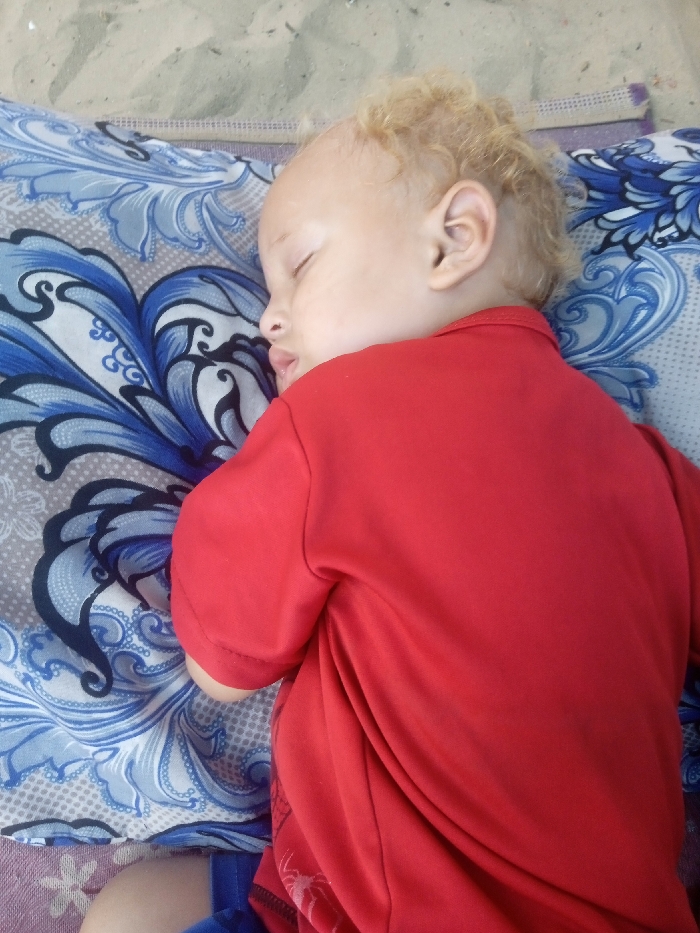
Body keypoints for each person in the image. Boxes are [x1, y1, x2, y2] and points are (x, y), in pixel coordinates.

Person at [81, 72, 700, 933]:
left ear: (455, 238)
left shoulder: (332, 419)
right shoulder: (648, 463)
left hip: (389, 908)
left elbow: (220, 668)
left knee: (128, 913)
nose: (267, 320)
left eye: (299, 266)